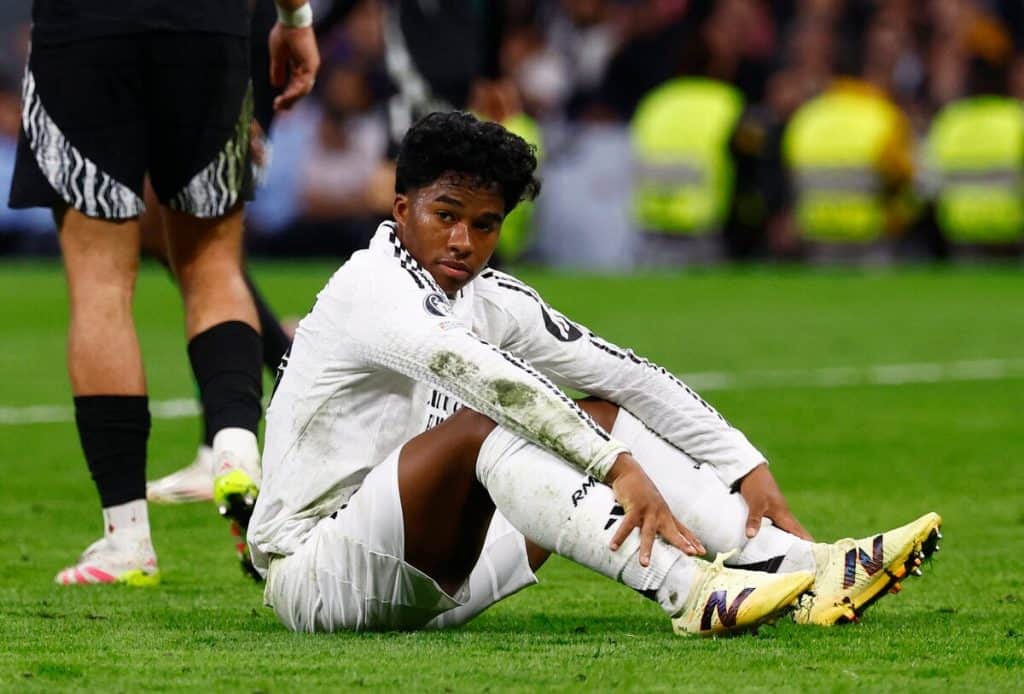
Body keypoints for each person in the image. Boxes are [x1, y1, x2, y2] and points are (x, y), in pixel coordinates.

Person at [249, 112, 942, 635]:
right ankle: (691, 591)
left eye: (485, 225)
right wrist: (616, 469)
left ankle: (807, 567)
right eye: (446, 216)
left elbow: (629, 375)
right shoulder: (370, 288)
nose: (463, 242)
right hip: (318, 577)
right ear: (402, 210)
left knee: (604, 414)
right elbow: (491, 383)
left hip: (436, 578)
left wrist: (744, 465)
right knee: (489, 425)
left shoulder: (491, 298)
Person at [9, 0, 319, 585]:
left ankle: (126, 541)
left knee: (101, 283)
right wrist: (295, 18)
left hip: (83, 30)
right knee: (213, 265)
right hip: (209, 27)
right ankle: (233, 445)